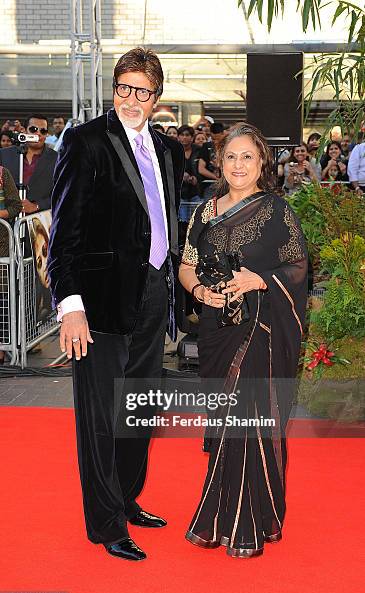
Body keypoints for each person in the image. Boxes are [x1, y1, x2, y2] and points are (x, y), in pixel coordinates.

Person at [47, 47, 184, 562]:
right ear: (114, 89)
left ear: (156, 97)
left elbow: (165, 223)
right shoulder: (84, 142)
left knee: (141, 410)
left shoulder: (168, 151)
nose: (131, 99)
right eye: (124, 88)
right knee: (101, 418)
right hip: (98, 302)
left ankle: (127, 499)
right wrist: (70, 305)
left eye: (142, 91)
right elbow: (65, 232)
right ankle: (105, 523)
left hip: (153, 295)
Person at [179, 122, 308, 558]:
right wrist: (199, 290)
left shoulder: (276, 210)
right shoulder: (204, 212)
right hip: (216, 329)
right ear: (220, 161)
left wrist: (261, 280)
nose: (238, 164)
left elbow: (298, 268)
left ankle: (248, 518)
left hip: (260, 330)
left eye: (247, 157)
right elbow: (186, 265)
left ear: (262, 164)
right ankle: (220, 512)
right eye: (231, 156)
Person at [0, 115, 58, 214]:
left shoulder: (57, 159)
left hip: (39, 222)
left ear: (47, 134)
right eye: (33, 129)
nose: (38, 133)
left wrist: (37, 205)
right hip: (6, 222)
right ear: (25, 131)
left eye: (43, 131)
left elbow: (62, 192)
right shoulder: (4, 154)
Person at [0, 166, 22, 364]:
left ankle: (2, 348)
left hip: (2, 250)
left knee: (2, 299)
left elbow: (16, 207)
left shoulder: (2, 174)